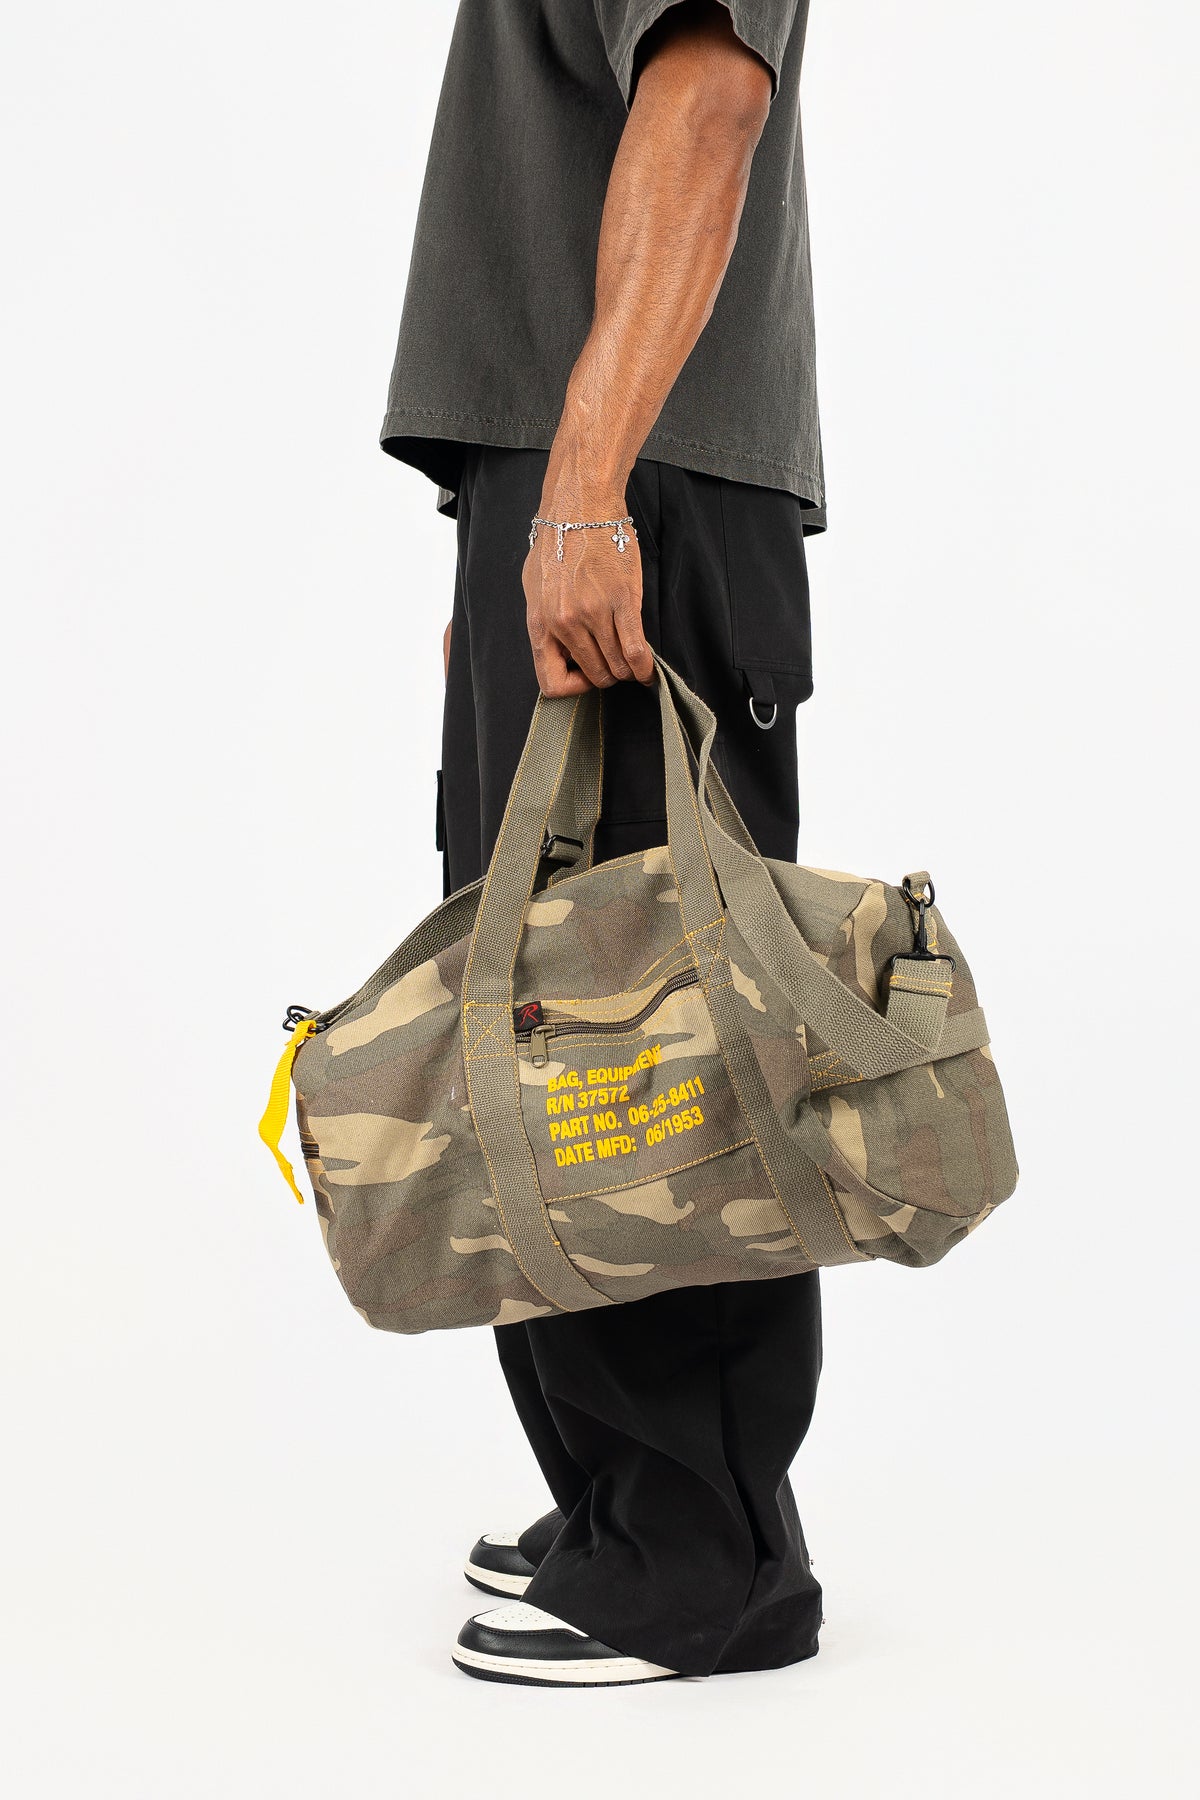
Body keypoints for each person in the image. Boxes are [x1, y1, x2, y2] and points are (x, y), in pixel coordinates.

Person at [380, 0, 826, 1687]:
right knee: (544, 1016)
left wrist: (580, 494)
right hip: (591, 472)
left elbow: (706, 101)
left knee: (642, 1030)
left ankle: (696, 1562)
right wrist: (515, 519)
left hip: (643, 477)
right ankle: (631, 1506)